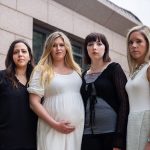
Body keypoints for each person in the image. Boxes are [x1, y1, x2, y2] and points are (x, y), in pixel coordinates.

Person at [27, 31, 84, 150]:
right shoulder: (41, 70)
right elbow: (34, 103)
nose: (58, 48)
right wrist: (56, 125)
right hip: (52, 127)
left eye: (61, 45)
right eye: (54, 45)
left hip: (76, 130)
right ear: (49, 48)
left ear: (67, 47)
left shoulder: (76, 70)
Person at [80, 32, 129, 150]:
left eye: (99, 44)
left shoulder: (114, 69)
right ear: (86, 49)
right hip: (87, 133)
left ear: (105, 47)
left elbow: (124, 102)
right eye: (90, 44)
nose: (94, 47)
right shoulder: (83, 75)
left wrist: (119, 138)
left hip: (111, 133)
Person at [0, 39, 37, 150]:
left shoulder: (36, 80)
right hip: (6, 142)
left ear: (30, 56)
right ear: (11, 56)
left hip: (32, 142)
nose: (20, 54)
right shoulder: (2, 77)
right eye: (16, 52)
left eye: (23, 51)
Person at [125, 25, 150, 150]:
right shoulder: (134, 71)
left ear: (148, 43)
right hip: (133, 121)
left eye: (139, 41)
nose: (134, 45)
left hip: (146, 121)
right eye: (131, 42)